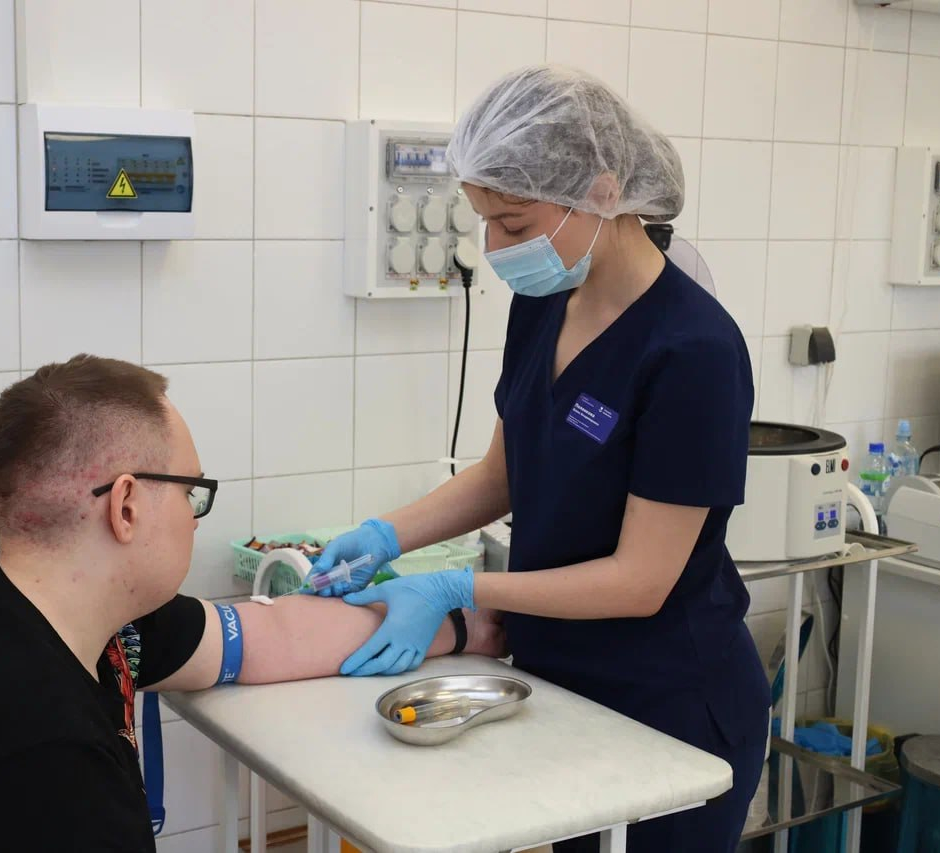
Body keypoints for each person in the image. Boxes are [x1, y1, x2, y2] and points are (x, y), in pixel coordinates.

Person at [0, 355, 502, 852]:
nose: (195, 518)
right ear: (125, 507)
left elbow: (269, 636)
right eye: (192, 494)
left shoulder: (34, 608)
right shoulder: (41, 758)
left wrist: (461, 621)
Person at [307, 66, 770, 852]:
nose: (493, 247)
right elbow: (504, 474)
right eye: (484, 220)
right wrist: (386, 534)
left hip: (671, 704)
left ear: (603, 191)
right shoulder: (542, 304)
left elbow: (640, 579)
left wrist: (458, 585)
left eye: (513, 223)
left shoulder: (694, 350)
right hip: (561, 683)